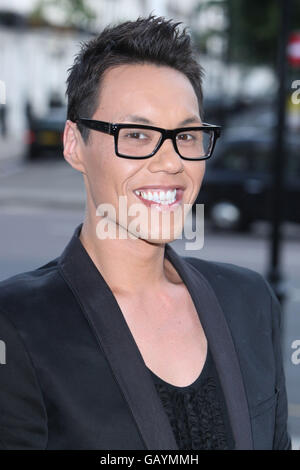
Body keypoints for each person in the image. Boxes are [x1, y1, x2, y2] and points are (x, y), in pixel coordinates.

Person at [0, 15, 291, 450]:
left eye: (188, 135)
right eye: (136, 134)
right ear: (74, 144)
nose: (172, 161)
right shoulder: (17, 322)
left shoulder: (250, 300)